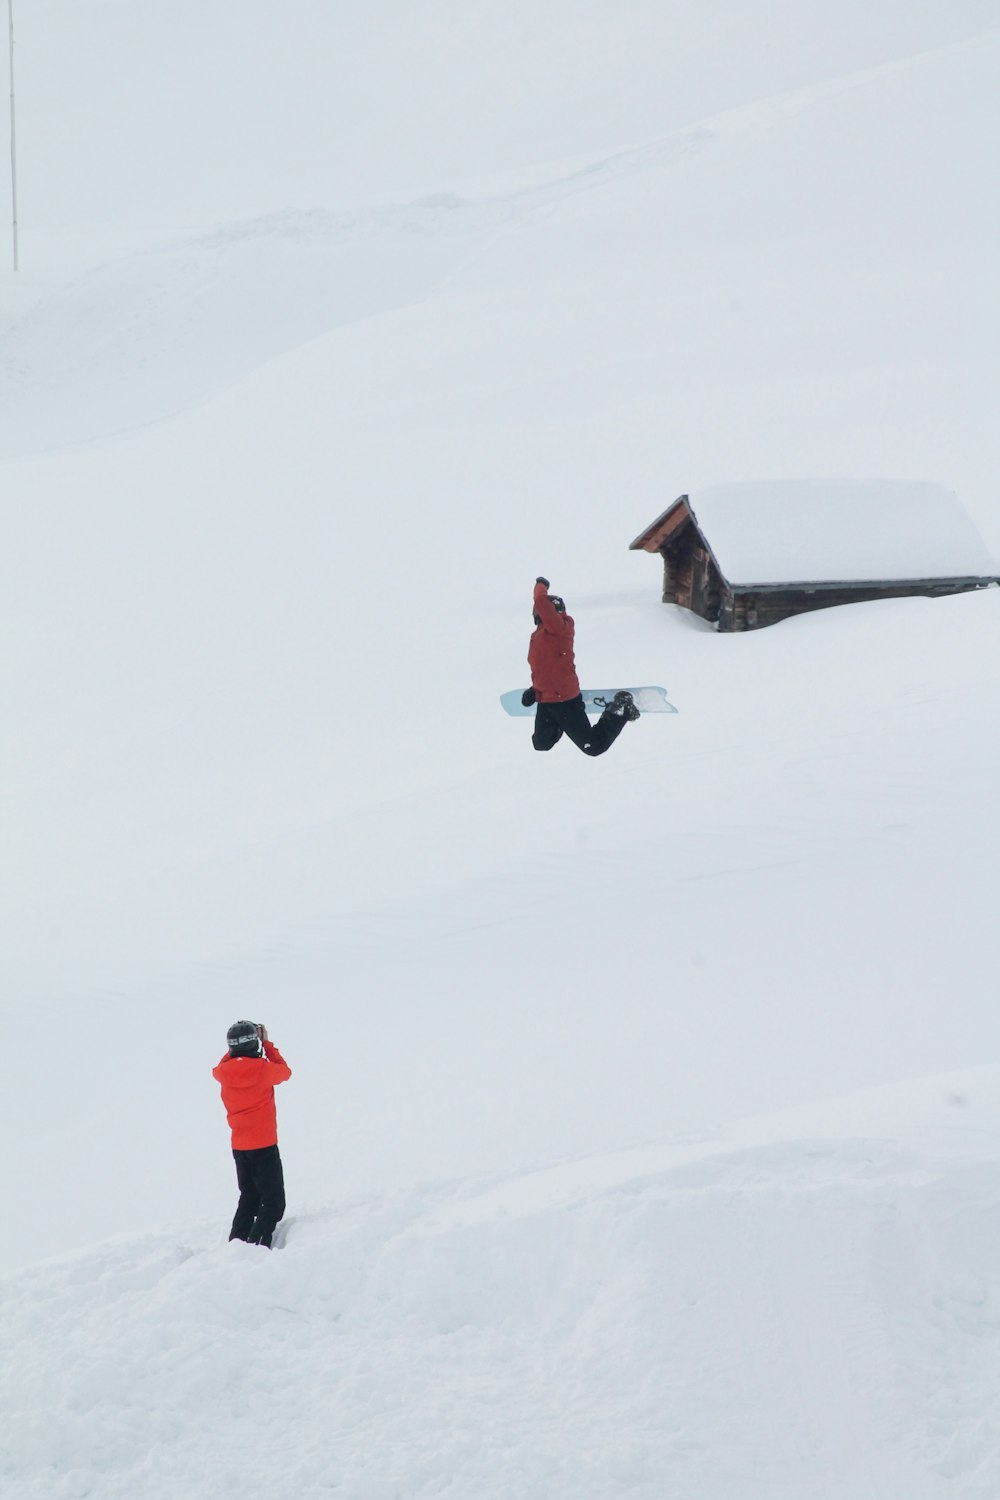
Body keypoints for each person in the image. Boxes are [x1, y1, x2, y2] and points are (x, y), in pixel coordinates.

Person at [524, 577, 640, 755]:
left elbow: (540, 601)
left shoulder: (560, 629)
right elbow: (546, 667)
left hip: (565, 700)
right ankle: (562, 723)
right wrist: (536, 690)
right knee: (541, 743)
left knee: (594, 747)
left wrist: (541, 585)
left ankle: (621, 708)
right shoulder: (538, 637)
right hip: (546, 699)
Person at [213, 1020, 291, 1249]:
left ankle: (236, 1246)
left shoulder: (222, 1073)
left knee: (249, 1198)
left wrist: (233, 1051)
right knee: (274, 1202)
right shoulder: (263, 1069)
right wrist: (267, 1044)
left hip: (240, 1147)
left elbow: (226, 1062)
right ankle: (257, 1248)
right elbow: (285, 1072)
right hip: (265, 1145)